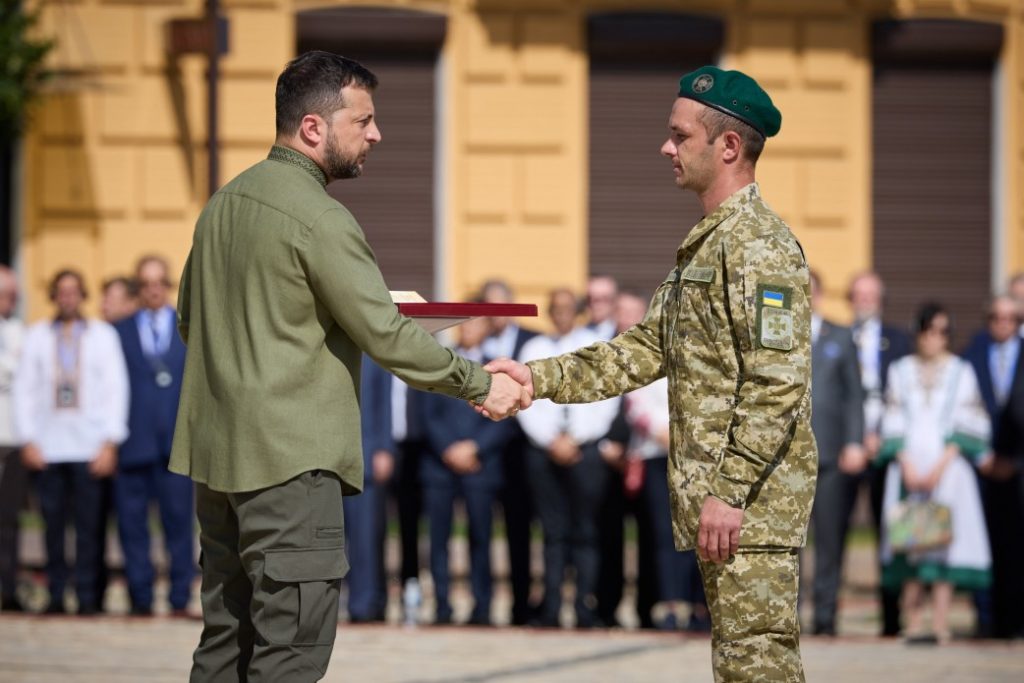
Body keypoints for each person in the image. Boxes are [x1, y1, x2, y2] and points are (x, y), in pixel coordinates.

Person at [169, 51, 526, 681]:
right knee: (291, 651)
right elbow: (385, 333)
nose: (376, 134)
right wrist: (480, 383)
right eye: (363, 120)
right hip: (289, 465)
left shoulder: (222, 205)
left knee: (226, 643)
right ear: (313, 127)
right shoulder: (321, 217)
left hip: (218, 462)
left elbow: (191, 321)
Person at [488, 66, 815, 680]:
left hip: (750, 507)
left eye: (680, 135)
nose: (666, 147)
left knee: (758, 667)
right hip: (726, 505)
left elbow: (779, 383)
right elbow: (640, 350)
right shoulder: (709, 242)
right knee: (739, 666)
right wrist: (536, 379)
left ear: (728, 147)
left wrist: (730, 490)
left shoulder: (759, 247)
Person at [13, 269, 129, 615]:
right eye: (61, 292)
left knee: (89, 528)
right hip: (48, 448)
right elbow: (24, 390)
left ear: (82, 296)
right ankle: (55, 594)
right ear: (53, 296)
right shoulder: (36, 336)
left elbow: (116, 389)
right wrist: (27, 439)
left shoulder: (102, 336)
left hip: (90, 446)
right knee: (53, 527)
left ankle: (89, 596)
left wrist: (111, 441)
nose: (67, 298)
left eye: (73, 292)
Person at [877, 302, 992, 644]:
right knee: (912, 541)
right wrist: (907, 463)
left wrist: (942, 464)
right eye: (928, 331)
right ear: (918, 333)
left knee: (944, 545)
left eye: (942, 332)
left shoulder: (961, 370)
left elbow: (971, 419)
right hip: (909, 468)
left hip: (948, 470)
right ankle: (913, 622)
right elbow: (892, 416)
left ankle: (940, 622)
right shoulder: (900, 370)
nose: (934, 339)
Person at [515, 288, 621, 629]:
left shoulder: (593, 345)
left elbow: (607, 399)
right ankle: (550, 607)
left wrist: (574, 439)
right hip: (543, 450)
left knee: (586, 531)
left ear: (576, 311)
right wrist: (551, 440)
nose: (561, 314)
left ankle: (584, 608)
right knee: (552, 531)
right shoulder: (534, 349)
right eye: (555, 308)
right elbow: (525, 401)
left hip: (585, 450)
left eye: (567, 308)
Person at [617, 291, 708, 632]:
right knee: (665, 536)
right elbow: (636, 402)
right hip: (658, 455)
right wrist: (668, 435)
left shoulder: (702, 351)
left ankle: (701, 607)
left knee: (702, 536)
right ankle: (670, 605)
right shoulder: (646, 349)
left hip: (698, 459)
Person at [111, 256, 194, 617]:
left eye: (160, 282)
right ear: (138, 288)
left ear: (169, 285)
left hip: (176, 446)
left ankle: (179, 597)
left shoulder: (187, 327)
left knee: (179, 525)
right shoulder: (118, 330)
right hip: (134, 443)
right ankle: (140, 597)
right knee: (132, 527)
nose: (154, 289)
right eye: (146, 283)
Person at [419, 313, 512, 626]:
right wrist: (449, 449)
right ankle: (442, 605)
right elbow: (428, 413)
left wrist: (474, 448)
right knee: (438, 538)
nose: (470, 328)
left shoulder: (498, 368)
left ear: (487, 328)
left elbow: (505, 417)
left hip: (480, 466)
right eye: (466, 323)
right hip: (440, 466)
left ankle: (482, 606)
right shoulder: (440, 362)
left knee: (481, 537)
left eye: (477, 323)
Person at [847, 270, 911, 636]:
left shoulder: (898, 340)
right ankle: (824, 616)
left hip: (885, 451)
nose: (865, 301)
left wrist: (879, 438)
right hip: (847, 450)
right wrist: (854, 438)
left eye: (871, 295)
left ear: (881, 299)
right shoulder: (837, 337)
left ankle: (891, 618)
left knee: (890, 533)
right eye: (859, 295)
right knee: (830, 532)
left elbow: (903, 396)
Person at [806, 270, 865, 636]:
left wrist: (854, 441)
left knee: (829, 540)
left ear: (820, 295)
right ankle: (786, 619)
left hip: (830, 455)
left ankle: (826, 616)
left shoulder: (840, 336)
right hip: (787, 460)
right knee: (788, 545)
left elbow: (854, 395)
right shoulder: (776, 336)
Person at [962, 295, 1024, 638]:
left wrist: (1014, 460)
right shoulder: (971, 354)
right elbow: (961, 408)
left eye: (1011, 318)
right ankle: (986, 618)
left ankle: (1016, 620)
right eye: (997, 317)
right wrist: (982, 456)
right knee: (981, 543)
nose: (1004, 323)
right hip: (981, 468)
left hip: (1018, 468)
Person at [479, 278, 537, 625]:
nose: (496, 314)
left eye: (502, 305)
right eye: (489, 306)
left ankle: (522, 604)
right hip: (484, 460)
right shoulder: (474, 342)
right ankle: (483, 605)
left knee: (521, 532)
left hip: (518, 454)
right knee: (482, 533)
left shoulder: (532, 341)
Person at [343, 355, 394, 624]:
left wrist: (384, 446)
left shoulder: (372, 354)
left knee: (366, 538)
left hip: (366, 455)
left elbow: (383, 402)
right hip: (327, 456)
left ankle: (364, 604)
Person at [0, 266, 25, 612]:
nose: (9, 301)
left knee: (9, 519)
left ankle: (8, 587)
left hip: (15, 436)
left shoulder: (22, 332)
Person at [585, 275, 618, 341]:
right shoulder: (576, 334)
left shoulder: (622, 333)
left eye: (602, 299)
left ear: (614, 301)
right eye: (590, 299)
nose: (594, 305)